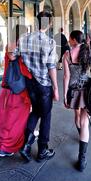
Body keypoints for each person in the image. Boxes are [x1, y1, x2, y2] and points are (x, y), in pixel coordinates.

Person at [16, 11, 59, 163]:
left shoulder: (23, 38)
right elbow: (51, 66)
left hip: (29, 82)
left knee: (35, 111)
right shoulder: (50, 43)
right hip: (44, 84)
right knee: (46, 115)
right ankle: (42, 150)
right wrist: (56, 87)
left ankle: (26, 145)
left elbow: (13, 55)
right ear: (50, 24)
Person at [0, 25, 32, 157]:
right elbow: (23, 64)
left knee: (4, 117)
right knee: (15, 119)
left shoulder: (9, 45)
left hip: (7, 88)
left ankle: (2, 144)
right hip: (18, 89)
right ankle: (7, 147)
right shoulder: (20, 47)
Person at [63, 30, 91, 171]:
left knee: (76, 115)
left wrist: (65, 96)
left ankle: (80, 133)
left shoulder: (67, 55)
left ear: (74, 40)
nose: (69, 41)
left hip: (74, 92)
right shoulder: (89, 52)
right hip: (87, 91)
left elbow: (66, 77)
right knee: (84, 122)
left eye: (70, 39)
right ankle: (82, 160)